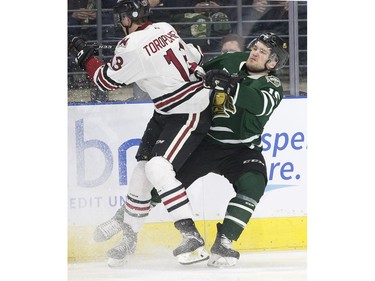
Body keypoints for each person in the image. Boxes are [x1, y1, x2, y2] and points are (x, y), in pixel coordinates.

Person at [94, 32, 289, 267]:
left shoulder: (273, 85)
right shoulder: (230, 61)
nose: (255, 53)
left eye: (263, 52)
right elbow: (193, 70)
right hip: (205, 144)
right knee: (159, 184)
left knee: (254, 183)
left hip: (242, 150)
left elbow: (259, 104)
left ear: (273, 62)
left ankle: (224, 242)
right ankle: (125, 233)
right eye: (255, 47)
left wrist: (227, 85)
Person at [68, 0, 215, 267]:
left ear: (126, 19)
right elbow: (195, 54)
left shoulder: (130, 45)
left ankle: (190, 235)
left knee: (157, 169)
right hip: (168, 109)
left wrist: (85, 58)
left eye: (120, 19)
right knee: (140, 173)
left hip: (188, 109)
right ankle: (129, 239)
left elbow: (106, 81)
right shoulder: (165, 27)